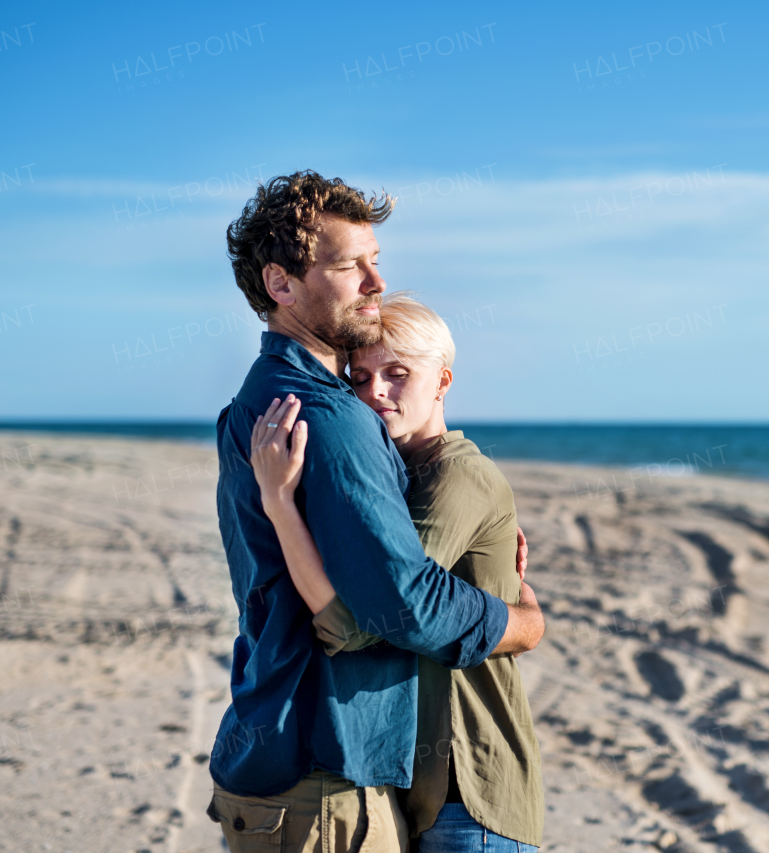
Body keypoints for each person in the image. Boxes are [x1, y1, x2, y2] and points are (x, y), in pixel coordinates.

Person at [206, 171, 544, 853]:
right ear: (281, 284)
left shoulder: (252, 400)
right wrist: (520, 620)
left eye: (376, 262)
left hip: (271, 758)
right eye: (349, 265)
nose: (373, 281)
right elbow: (402, 605)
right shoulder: (332, 417)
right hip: (323, 777)